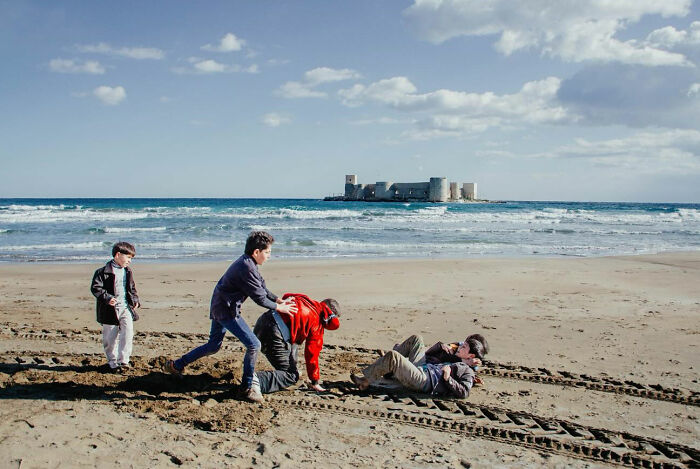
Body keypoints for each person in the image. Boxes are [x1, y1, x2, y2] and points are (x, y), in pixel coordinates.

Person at [162, 231, 297, 403]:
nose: (270, 256)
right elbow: (260, 298)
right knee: (254, 344)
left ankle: (177, 365)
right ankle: (248, 387)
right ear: (257, 252)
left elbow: (263, 288)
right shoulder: (246, 268)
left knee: (213, 345)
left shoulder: (250, 264)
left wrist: (279, 299)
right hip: (226, 309)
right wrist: (280, 308)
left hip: (221, 305)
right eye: (268, 252)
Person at [253, 293, 340, 394]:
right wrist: (315, 381)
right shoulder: (317, 323)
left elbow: (286, 296)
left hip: (262, 322)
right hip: (273, 335)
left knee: (290, 362)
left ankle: (258, 378)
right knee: (291, 375)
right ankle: (255, 380)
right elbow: (312, 354)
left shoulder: (305, 300)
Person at [350, 336, 485, 398]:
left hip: (424, 380)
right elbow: (433, 352)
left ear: (471, 355)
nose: (460, 347)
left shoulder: (468, 371)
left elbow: (464, 392)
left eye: (464, 347)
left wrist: (448, 377)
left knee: (393, 356)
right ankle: (385, 367)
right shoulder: (457, 358)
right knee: (416, 339)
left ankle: (365, 382)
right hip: (423, 368)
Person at [90, 241, 141, 372]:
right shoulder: (102, 272)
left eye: (131, 258)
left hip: (125, 307)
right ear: (118, 255)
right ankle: (112, 362)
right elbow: (96, 288)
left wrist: (135, 300)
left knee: (128, 333)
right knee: (110, 338)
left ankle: (123, 361)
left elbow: (132, 288)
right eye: (128, 257)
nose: (130, 261)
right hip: (109, 310)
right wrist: (107, 298)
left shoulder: (128, 271)